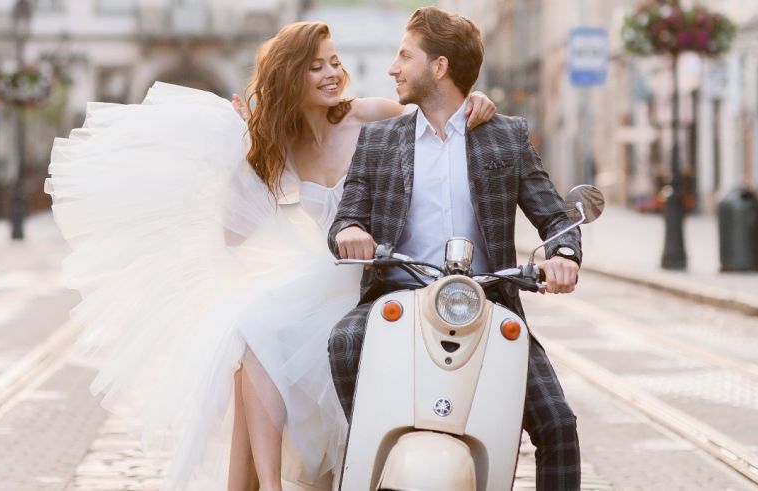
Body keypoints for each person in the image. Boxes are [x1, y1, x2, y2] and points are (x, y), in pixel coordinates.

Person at [45, 20, 496, 490]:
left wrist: (476, 104)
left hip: (378, 273)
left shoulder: (369, 115)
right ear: (289, 77)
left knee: (257, 332)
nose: (331, 73)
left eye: (335, 62)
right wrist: (240, 150)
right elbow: (232, 234)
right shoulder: (281, 143)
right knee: (250, 334)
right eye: (315, 66)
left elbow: (438, 122)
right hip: (322, 274)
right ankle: (268, 483)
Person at [328, 7, 583, 491]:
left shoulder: (504, 136)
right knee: (344, 341)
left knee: (558, 425)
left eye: (405, 56)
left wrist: (563, 257)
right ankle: (369, 458)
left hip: (488, 302)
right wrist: (349, 233)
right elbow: (348, 216)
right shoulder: (380, 140)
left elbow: (556, 218)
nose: (393, 68)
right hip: (398, 301)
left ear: (439, 67)